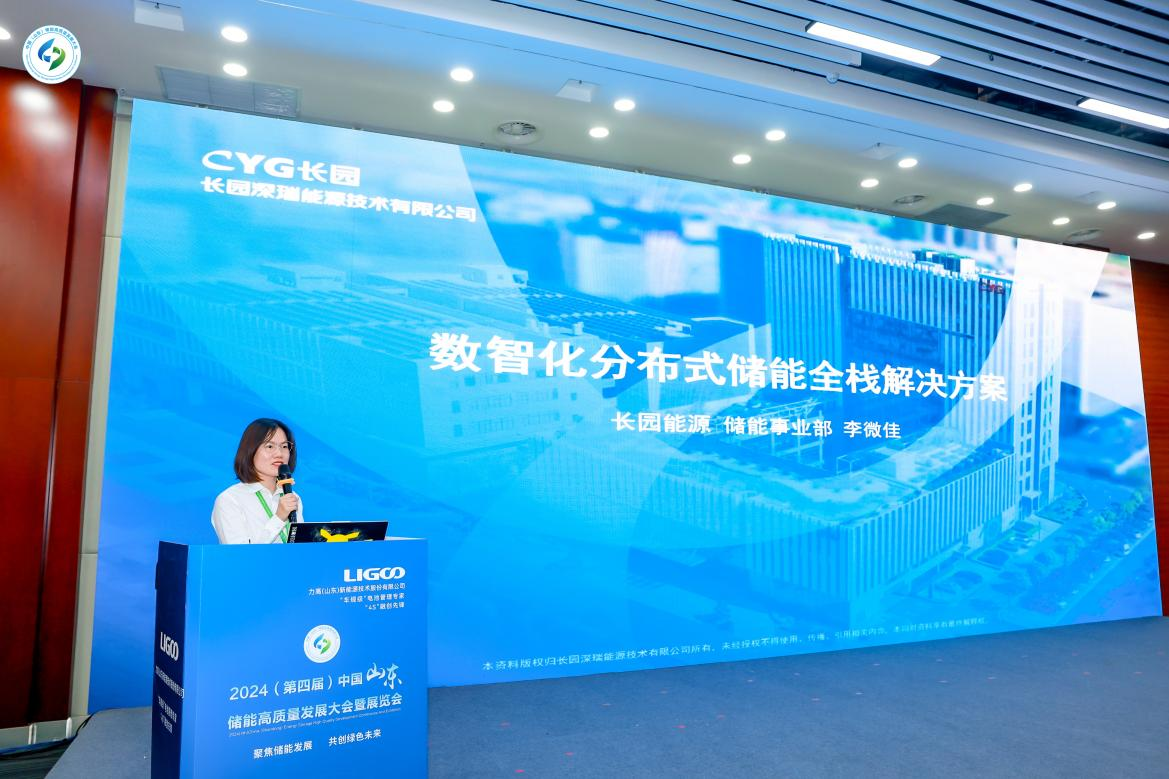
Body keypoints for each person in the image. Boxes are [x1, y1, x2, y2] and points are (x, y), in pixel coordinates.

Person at [211, 418, 303, 544]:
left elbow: (300, 548)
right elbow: (239, 553)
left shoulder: (292, 497)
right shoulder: (230, 500)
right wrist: (279, 518)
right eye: (270, 446)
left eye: (284, 446)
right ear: (250, 450)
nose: (279, 453)